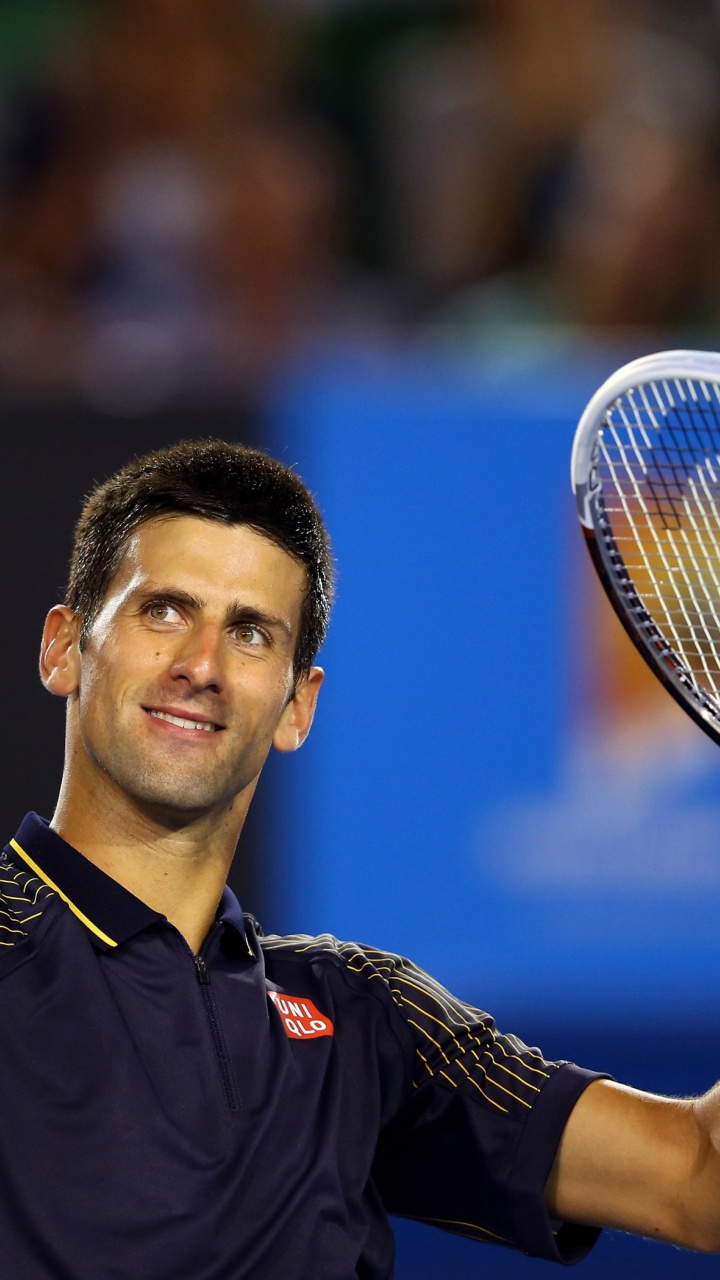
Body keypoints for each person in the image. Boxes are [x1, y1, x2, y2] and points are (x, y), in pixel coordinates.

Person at [3, 438, 719, 1279]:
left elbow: (697, 1177)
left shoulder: (365, 1017)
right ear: (64, 648)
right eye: (163, 611)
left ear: (297, 707)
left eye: (250, 633)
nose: (201, 666)